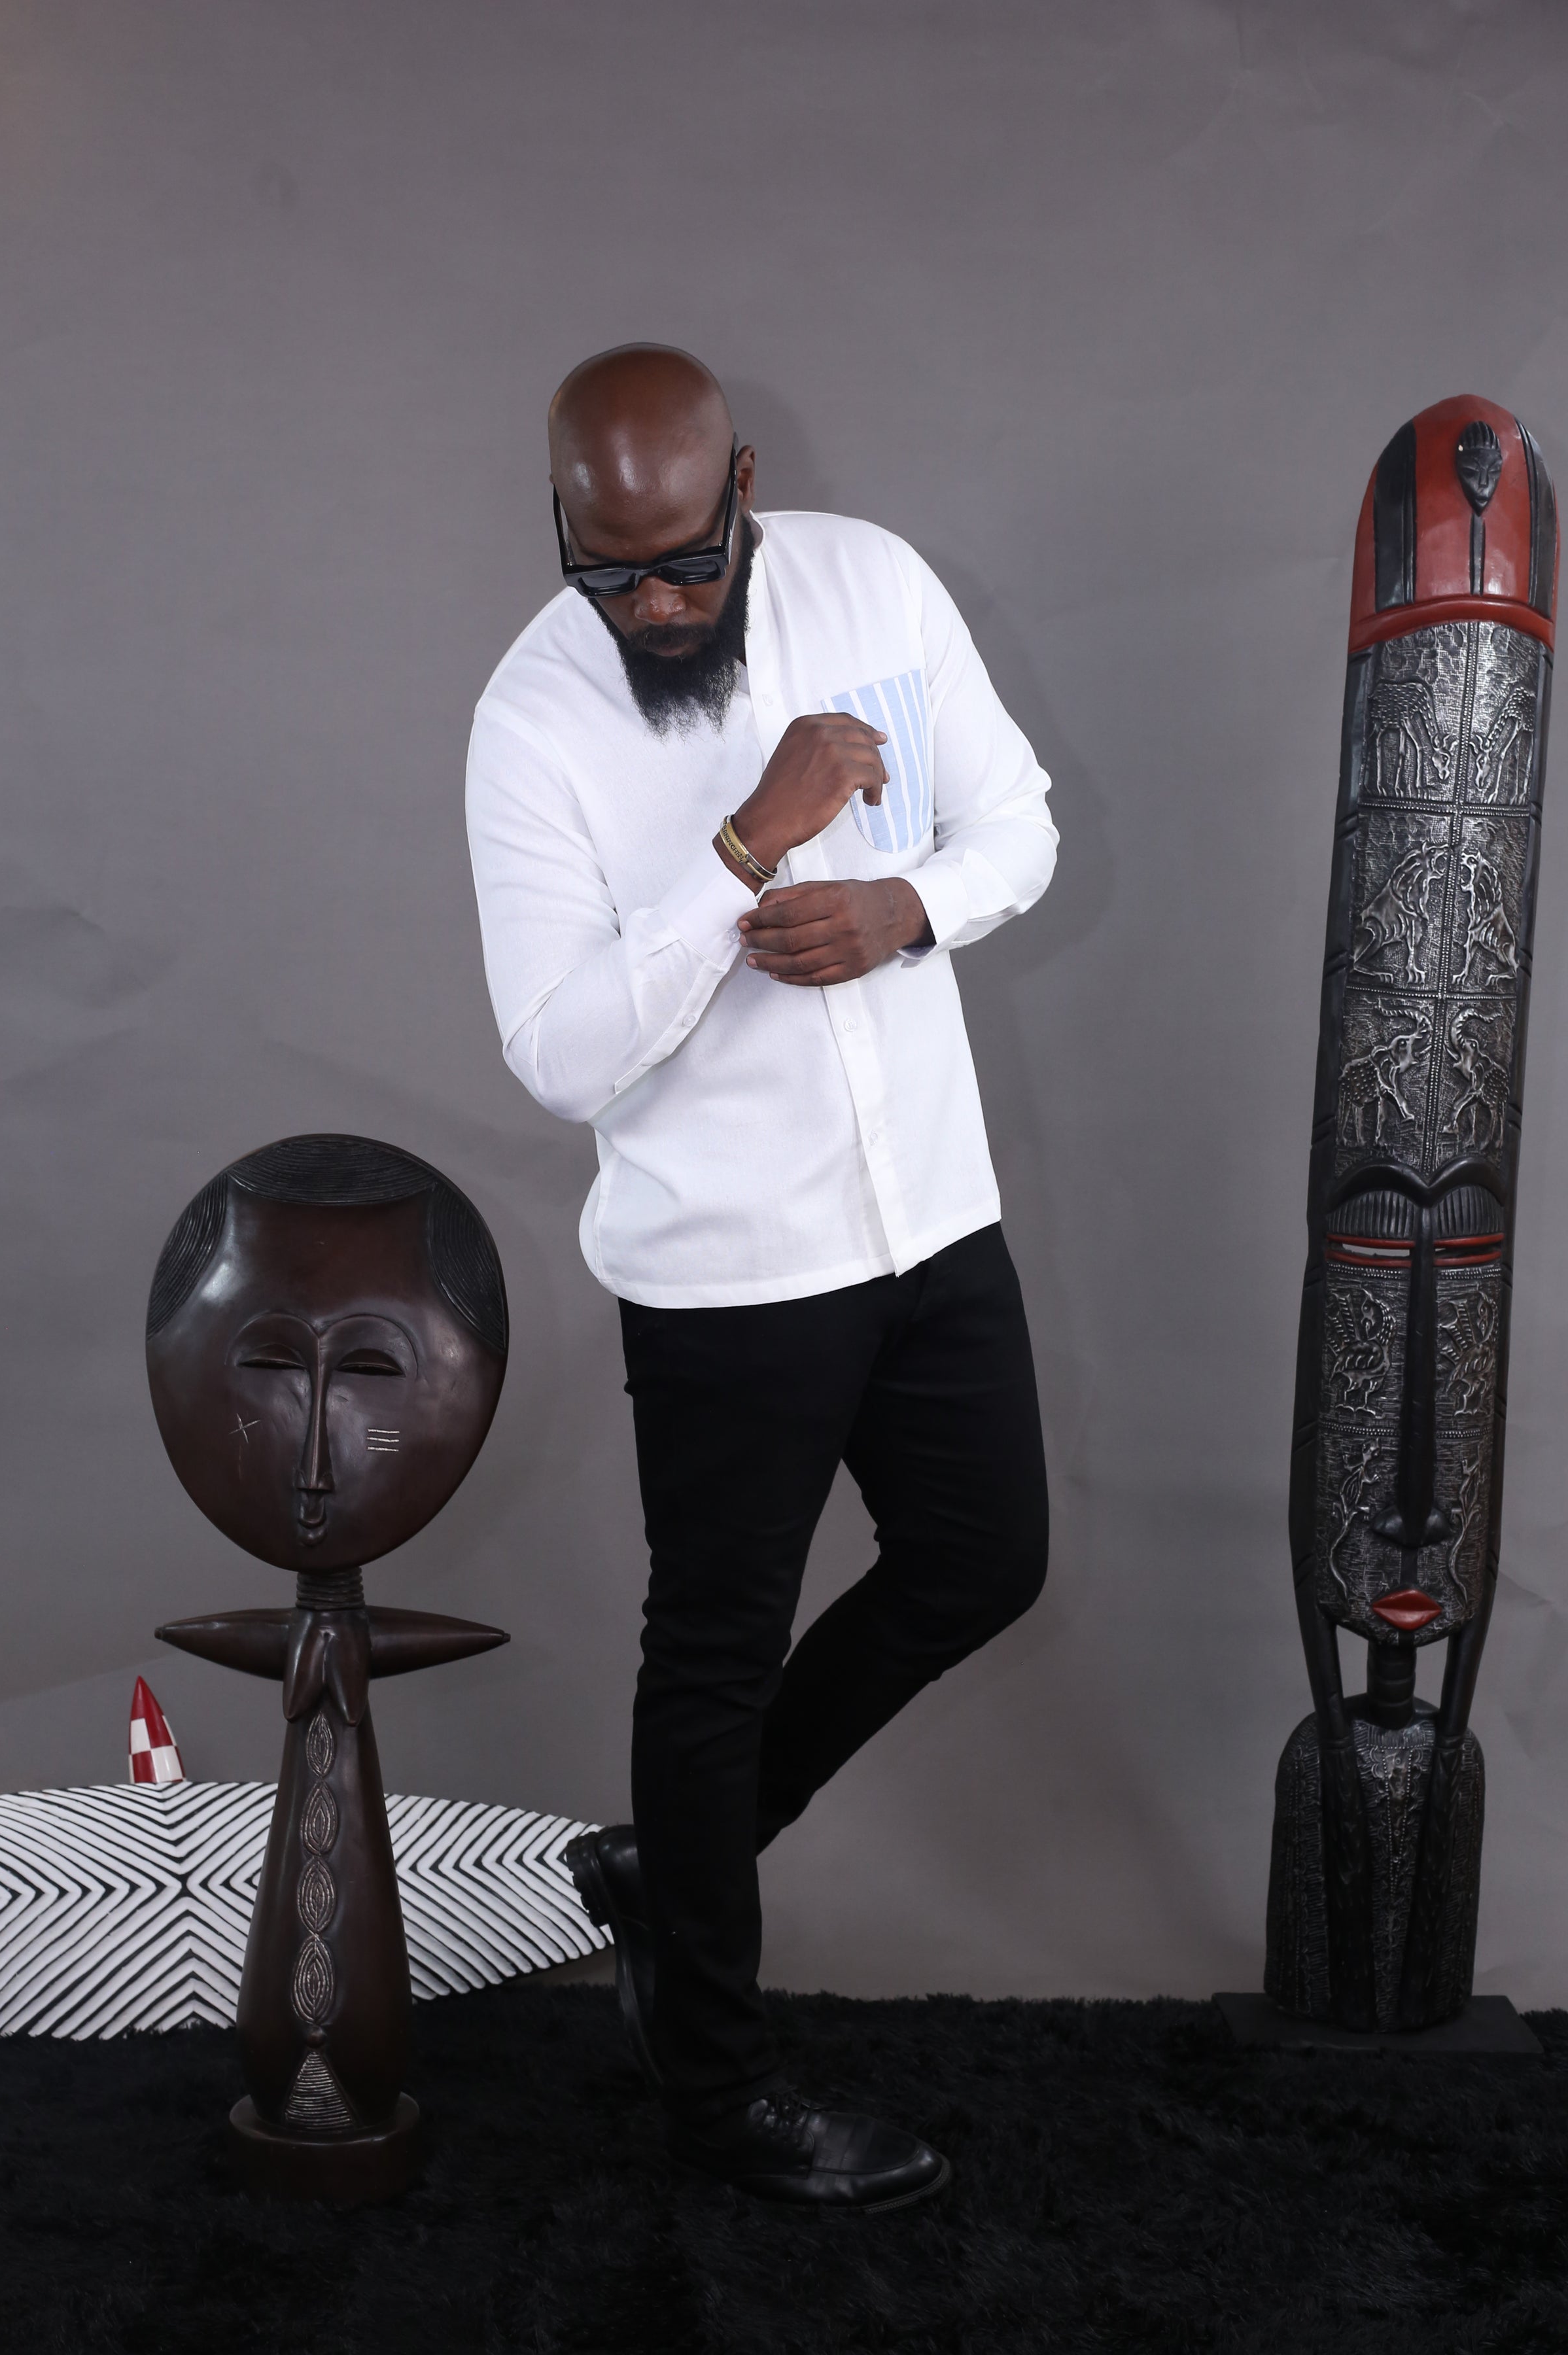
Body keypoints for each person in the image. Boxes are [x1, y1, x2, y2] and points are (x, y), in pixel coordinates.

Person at [465, 344, 1057, 2210]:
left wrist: (907, 909)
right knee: (712, 1659)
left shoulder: (876, 583)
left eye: (685, 565)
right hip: (728, 1270)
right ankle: (718, 2095)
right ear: (564, 524)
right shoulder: (534, 719)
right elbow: (560, 1054)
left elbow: (1020, 825)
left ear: (741, 493)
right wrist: (743, 854)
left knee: (985, 1558)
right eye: (609, 570)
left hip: (929, 1214)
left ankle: (670, 1870)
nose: (654, 605)